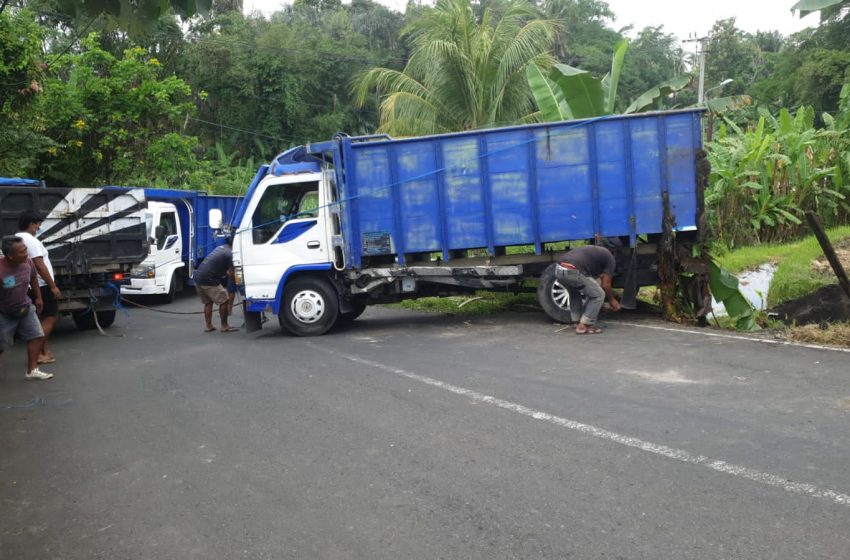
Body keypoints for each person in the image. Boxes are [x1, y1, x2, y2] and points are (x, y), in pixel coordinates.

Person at [0, 236, 53, 379]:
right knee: (1, 344)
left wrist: (39, 297)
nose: (26, 254)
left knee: (37, 336)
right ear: (10, 256)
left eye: (26, 250)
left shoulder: (28, 262)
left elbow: (34, 278)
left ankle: (32, 371)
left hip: (25, 307)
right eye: (22, 252)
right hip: (4, 312)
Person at [16, 210, 61, 364]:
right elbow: (40, 266)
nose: (38, 229)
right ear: (31, 224)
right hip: (42, 285)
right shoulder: (31, 241)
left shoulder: (18, 238)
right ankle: (37, 352)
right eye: (38, 226)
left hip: (30, 286)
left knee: (41, 318)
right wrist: (53, 286)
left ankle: (45, 353)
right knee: (51, 318)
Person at [555, 243, 621, 335]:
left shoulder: (592, 250)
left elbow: (592, 278)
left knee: (574, 292)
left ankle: (576, 321)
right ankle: (585, 325)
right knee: (599, 295)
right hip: (573, 270)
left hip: (558, 269)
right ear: (614, 253)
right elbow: (606, 284)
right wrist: (612, 300)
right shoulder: (610, 257)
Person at [195, 238, 238, 333]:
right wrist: (238, 281)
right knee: (224, 301)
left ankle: (209, 326)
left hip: (198, 276)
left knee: (208, 302)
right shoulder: (230, 254)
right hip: (209, 279)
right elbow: (231, 274)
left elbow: (220, 268)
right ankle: (224, 326)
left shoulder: (221, 248)